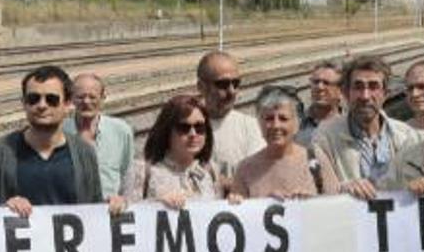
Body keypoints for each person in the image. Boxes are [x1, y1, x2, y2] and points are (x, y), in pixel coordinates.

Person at [0, 65, 103, 216]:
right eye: (33, 99)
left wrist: (113, 207)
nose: (42, 105)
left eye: (52, 99)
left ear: (67, 104)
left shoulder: (84, 152)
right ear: (24, 103)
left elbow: (95, 207)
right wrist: (5, 207)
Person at [312, 55, 420, 185]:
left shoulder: (406, 136)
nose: (365, 96)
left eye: (373, 86)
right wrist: (344, 189)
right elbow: (322, 190)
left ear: (386, 93)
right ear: (346, 93)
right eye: (358, 87)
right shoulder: (325, 137)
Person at [123, 94, 240, 207]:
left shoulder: (212, 171)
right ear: (167, 132)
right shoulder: (142, 172)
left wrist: (234, 202)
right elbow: (129, 216)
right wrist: (156, 204)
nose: (193, 134)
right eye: (184, 128)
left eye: (199, 127)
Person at [231, 86, 341, 199]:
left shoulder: (316, 160)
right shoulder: (246, 169)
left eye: (283, 118)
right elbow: (238, 213)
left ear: (296, 124)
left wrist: (311, 203)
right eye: (269, 118)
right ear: (259, 123)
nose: (276, 125)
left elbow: (337, 206)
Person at [64, 72, 134, 199]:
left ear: (103, 98)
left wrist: (124, 202)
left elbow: (127, 175)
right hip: (70, 211)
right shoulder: (60, 131)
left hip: (109, 212)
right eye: (80, 97)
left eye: (92, 97)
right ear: (71, 99)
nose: (86, 101)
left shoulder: (121, 130)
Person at [196, 50, 265, 178]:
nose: (231, 91)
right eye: (223, 84)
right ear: (201, 87)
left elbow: (257, 177)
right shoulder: (185, 129)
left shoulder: (251, 127)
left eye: (236, 83)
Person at [296, 60, 343, 146]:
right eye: (316, 82)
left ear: (340, 91)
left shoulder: (350, 126)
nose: (320, 87)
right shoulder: (295, 124)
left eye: (326, 83)